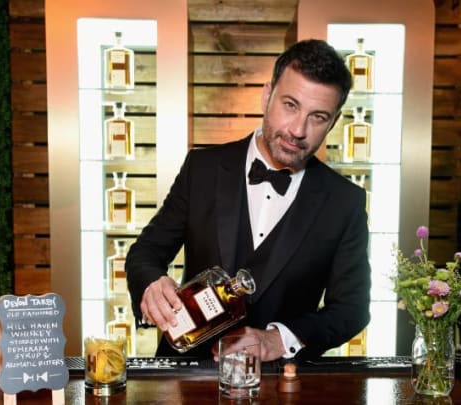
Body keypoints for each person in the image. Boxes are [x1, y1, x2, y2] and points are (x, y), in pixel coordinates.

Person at [126, 39, 371, 362]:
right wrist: (151, 284)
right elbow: (145, 253)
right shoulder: (203, 168)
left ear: (334, 122)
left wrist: (279, 340)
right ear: (267, 96)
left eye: (318, 117)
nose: (298, 130)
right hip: (187, 372)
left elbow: (352, 310)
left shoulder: (345, 202)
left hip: (281, 383)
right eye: (290, 105)